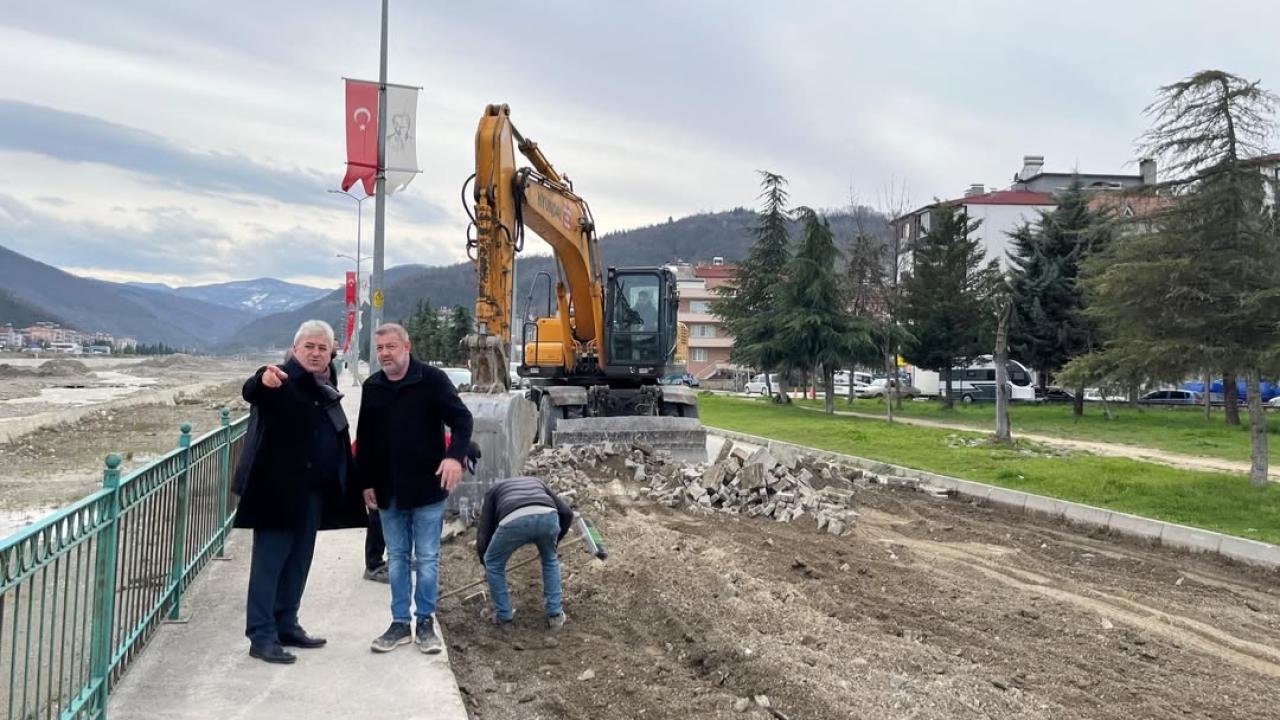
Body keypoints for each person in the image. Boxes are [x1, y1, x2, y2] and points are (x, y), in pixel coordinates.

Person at [232, 320, 368, 664]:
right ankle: (261, 636)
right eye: (309, 346)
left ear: (332, 353)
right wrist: (261, 375)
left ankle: (286, 624)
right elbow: (254, 390)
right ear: (295, 350)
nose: (316, 353)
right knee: (269, 565)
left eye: (323, 348)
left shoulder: (325, 381)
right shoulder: (280, 378)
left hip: (312, 493)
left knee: (298, 563)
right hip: (277, 492)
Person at [358, 323, 473, 654]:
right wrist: (364, 481)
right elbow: (364, 439)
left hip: (427, 488)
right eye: (380, 349)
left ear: (406, 346)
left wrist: (454, 457)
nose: (385, 354)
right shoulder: (373, 387)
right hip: (387, 490)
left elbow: (462, 420)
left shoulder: (431, 381)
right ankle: (398, 623)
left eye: (391, 347)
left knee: (426, 557)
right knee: (395, 558)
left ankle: (424, 621)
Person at [475, 476, 573, 633]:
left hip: (514, 521)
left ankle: (504, 617)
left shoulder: (493, 491)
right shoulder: (537, 481)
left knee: (494, 563)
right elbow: (567, 513)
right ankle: (555, 615)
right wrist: (554, 543)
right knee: (550, 558)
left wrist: (485, 562)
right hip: (548, 516)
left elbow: (484, 533)